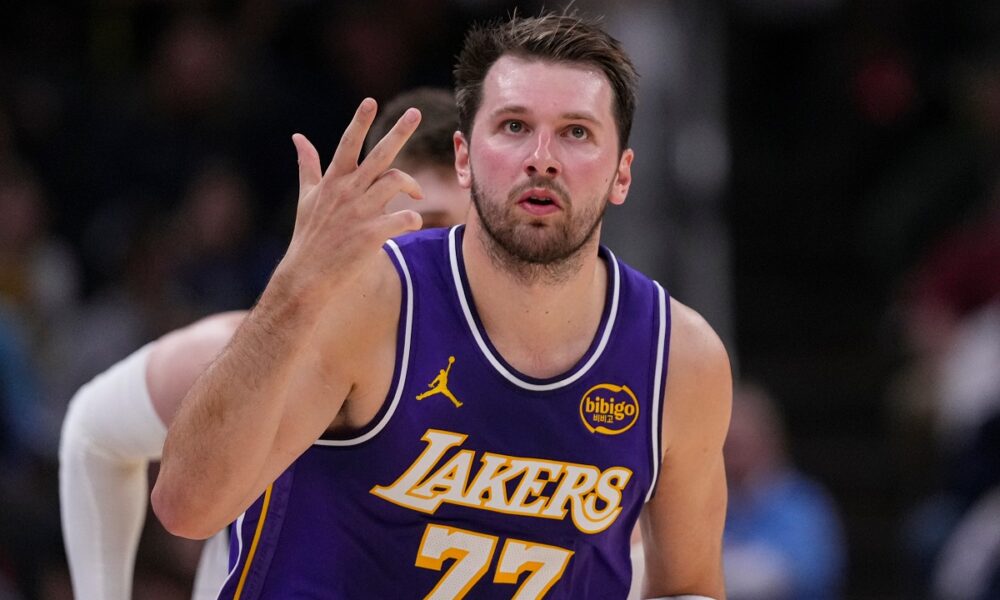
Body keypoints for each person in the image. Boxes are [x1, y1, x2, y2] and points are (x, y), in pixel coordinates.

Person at [152, 11, 731, 600]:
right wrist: (292, 289)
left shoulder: (680, 358)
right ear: (463, 158)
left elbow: (690, 588)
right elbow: (184, 506)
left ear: (621, 175)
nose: (542, 158)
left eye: (577, 132)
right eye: (512, 126)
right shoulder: (367, 297)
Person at [58, 86, 469, 600]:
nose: (431, 252)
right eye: (413, 226)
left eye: (453, 233)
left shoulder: (519, 382)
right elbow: (93, 432)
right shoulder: (254, 360)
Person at [722, 383, 846, 600]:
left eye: (738, 444)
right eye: (726, 446)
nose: (732, 457)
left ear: (768, 440)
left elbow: (809, 574)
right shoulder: (711, 506)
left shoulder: (804, 504)